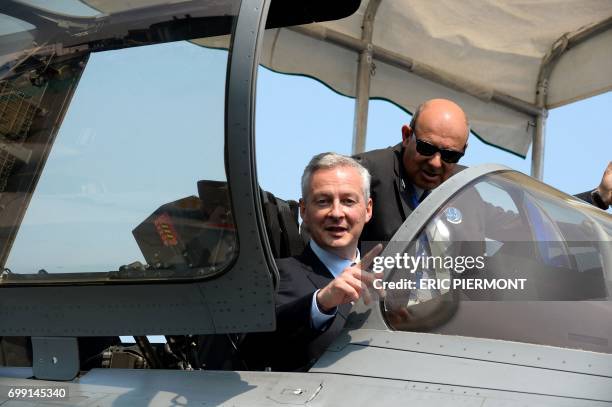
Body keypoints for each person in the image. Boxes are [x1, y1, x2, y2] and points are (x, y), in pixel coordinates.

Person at [355, 98, 612, 243]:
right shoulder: (363, 174)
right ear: (406, 135)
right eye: (426, 147)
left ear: (463, 151)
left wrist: (597, 198)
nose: (435, 162)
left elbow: (530, 227)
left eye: (449, 155)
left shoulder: (464, 188)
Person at [240, 152, 382, 371]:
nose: (336, 213)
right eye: (323, 201)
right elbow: (251, 348)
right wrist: (320, 303)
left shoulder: (392, 281)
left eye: (348, 201)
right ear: (304, 210)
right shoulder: (274, 277)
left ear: (368, 209)